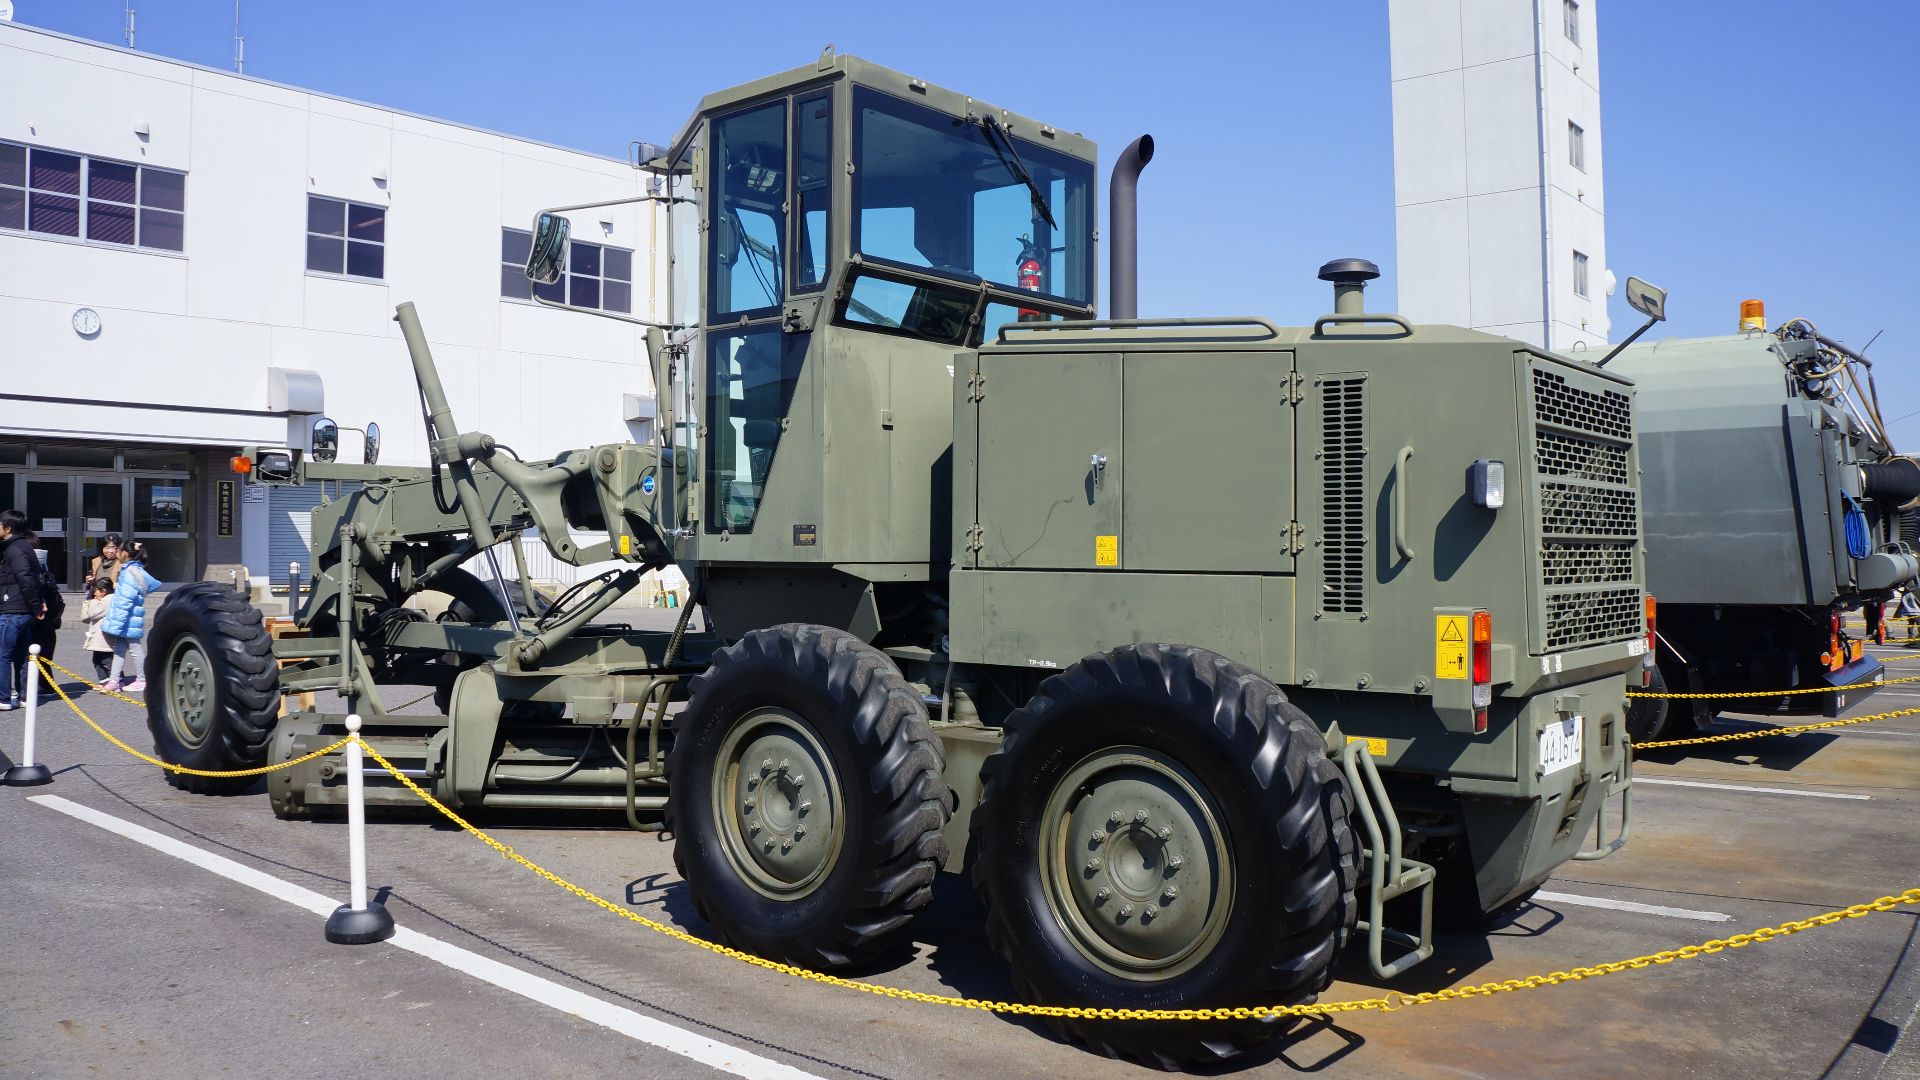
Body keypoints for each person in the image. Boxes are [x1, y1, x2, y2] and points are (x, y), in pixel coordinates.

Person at [0, 508, 51, 710]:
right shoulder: (20, 546)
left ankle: (3, 697)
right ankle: (24, 696)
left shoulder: (15, 549)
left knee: (3, 655)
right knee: (21, 656)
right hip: (22, 610)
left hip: (13, 609)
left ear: (8, 527)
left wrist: (36, 605)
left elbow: (26, 580)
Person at [100, 540, 161, 695]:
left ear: (125, 554)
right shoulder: (134, 570)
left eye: (118, 550)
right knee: (120, 649)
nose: (115, 553)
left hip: (127, 618)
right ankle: (114, 680)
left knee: (134, 648)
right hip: (129, 617)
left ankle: (142, 679)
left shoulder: (129, 572)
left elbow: (125, 599)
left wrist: (116, 622)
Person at [82, 576, 116, 681]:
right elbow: (85, 617)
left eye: (95, 591)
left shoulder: (109, 600)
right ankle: (104, 680)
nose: (94, 593)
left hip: (104, 637)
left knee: (107, 660)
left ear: (104, 591)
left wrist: (92, 602)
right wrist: (89, 601)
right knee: (97, 659)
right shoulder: (101, 600)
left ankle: (117, 680)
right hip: (99, 636)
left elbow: (92, 613)